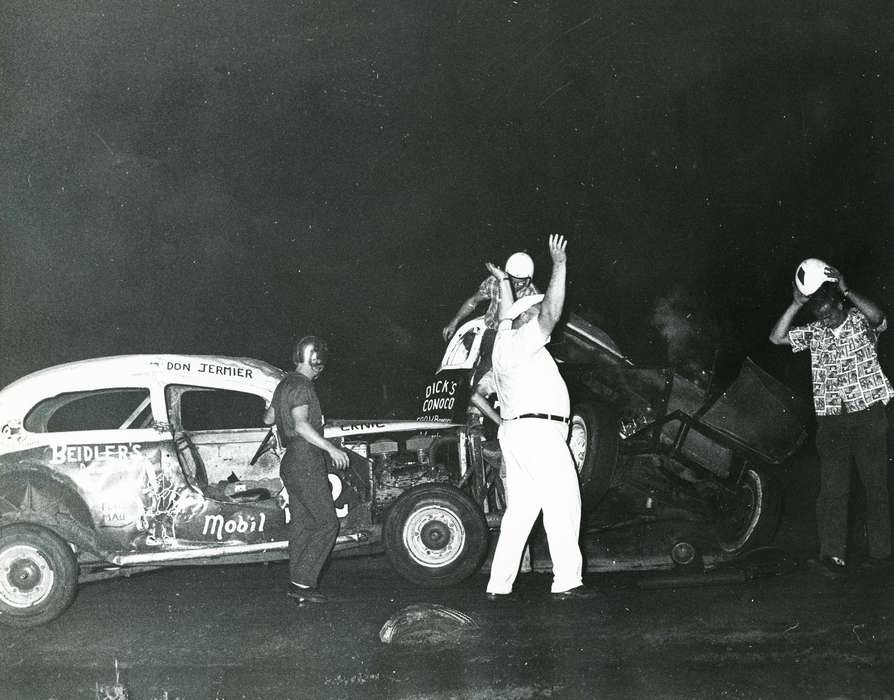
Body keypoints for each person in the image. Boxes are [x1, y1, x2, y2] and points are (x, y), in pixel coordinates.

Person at [484, 234, 590, 600]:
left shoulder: (502, 340)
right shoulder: (525, 339)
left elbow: (504, 315)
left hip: (517, 434)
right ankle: (567, 582)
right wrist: (559, 263)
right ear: (525, 316)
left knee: (520, 514)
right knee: (564, 502)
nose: (536, 311)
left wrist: (503, 282)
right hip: (539, 432)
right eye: (531, 309)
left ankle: (498, 586)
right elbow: (550, 313)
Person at [770, 264, 894, 575]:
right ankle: (832, 557)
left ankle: (880, 557)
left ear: (839, 303)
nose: (826, 319)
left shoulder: (859, 321)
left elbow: (879, 317)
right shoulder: (815, 332)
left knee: (875, 485)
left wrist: (847, 288)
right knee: (832, 490)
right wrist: (796, 304)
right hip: (832, 421)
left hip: (867, 414)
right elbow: (776, 338)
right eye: (820, 316)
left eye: (829, 312)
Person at [264, 335, 350, 604]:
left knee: (302, 524)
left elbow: (267, 417)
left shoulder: (285, 384)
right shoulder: (302, 386)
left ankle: (297, 581)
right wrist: (331, 449)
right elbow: (301, 425)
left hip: (290, 461)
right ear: (317, 361)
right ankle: (303, 582)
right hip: (306, 459)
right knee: (327, 523)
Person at [442, 251, 540, 386]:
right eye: (512, 281)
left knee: (484, 374)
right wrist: (454, 321)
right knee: (457, 358)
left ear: (529, 280)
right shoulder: (494, 281)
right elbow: (474, 300)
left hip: (506, 339)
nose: (515, 286)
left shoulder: (533, 298)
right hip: (486, 329)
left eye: (520, 283)